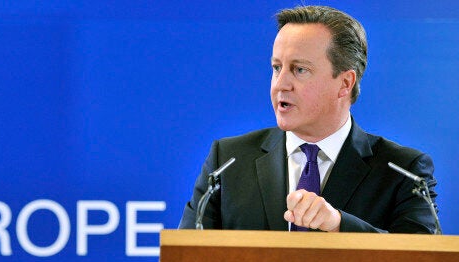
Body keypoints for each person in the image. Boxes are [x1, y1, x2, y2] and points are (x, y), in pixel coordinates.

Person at [178, 5, 439, 233]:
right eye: (276, 68)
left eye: (299, 69)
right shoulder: (229, 161)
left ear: (345, 83)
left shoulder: (404, 172)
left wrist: (339, 225)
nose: (280, 84)